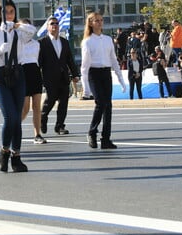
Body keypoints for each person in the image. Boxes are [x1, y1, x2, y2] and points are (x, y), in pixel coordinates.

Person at [0, 0, 35, 173]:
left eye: (11, 11)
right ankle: (4, 151)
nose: (9, 15)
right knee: (10, 116)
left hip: (18, 74)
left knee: (17, 118)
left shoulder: (20, 32)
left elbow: (33, 31)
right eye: (5, 12)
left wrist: (17, 26)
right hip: (0, 75)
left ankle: (16, 157)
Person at [81, 12, 126, 150]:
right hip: (93, 73)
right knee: (100, 103)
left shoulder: (107, 40)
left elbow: (113, 59)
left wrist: (120, 78)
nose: (100, 23)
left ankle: (106, 138)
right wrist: (86, 88)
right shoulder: (87, 41)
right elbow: (84, 66)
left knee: (108, 106)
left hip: (106, 73)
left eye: (101, 20)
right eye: (96, 21)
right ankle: (92, 132)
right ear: (90, 23)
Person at [38, 16, 80, 135]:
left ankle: (60, 126)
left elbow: (70, 60)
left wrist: (75, 74)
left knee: (63, 104)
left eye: (56, 23)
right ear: (47, 27)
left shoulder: (64, 42)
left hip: (63, 77)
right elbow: (39, 62)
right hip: (50, 78)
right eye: (52, 24)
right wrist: (37, 78)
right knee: (50, 101)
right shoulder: (42, 43)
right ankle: (43, 118)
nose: (54, 26)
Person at [18, 18, 46, 144]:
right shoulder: (18, 43)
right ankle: (14, 126)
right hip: (23, 72)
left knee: (37, 106)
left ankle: (37, 134)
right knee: (25, 108)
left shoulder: (36, 44)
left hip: (34, 72)